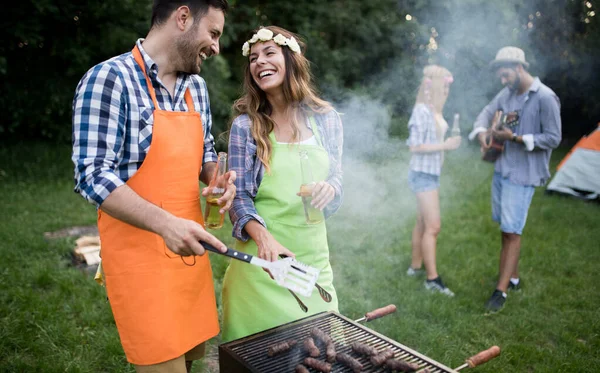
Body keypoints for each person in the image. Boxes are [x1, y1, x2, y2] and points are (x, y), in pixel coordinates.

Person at [71, 1, 236, 371]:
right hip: (140, 261)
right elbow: (92, 174)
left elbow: (204, 150)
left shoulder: (197, 87)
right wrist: (166, 224)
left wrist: (215, 177)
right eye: (213, 33)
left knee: (189, 360)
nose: (216, 46)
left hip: (188, 253)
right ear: (182, 18)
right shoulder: (109, 79)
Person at [221, 26, 344, 342]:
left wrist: (331, 189)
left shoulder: (327, 119)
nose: (258, 62)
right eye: (253, 58)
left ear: (292, 60)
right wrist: (263, 239)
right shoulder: (245, 127)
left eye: (269, 53)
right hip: (261, 270)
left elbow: (338, 177)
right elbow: (239, 198)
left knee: (323, 355)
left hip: (313, 265)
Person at [468, 46, 561, 313]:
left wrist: (517, 139)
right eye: (501, 76)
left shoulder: (545, 97)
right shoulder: (507, 92)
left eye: (506, 75)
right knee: (507, 228)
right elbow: (487, 112)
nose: (503, 81)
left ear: (520, 68)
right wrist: (482, 133)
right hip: (502, 168)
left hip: (524, 175)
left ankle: (501, 291)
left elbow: (554, 138)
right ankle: (514, 277)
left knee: (512, 231)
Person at [406, 65, 462, 297]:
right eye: (445, 85)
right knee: (433, 227)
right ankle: (432, 279)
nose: (448, 89)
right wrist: (445, 146)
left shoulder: (433, 109)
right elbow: (414, 146)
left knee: (422, 222)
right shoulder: (421, 110)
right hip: (423, 175)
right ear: (435, 85)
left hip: (430, 173)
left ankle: (415, 267)